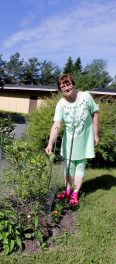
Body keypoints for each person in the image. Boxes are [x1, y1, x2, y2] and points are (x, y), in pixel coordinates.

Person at [45, 74, 99, 205]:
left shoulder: (86, 96)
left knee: (80, 166)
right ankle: (67, 190)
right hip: (69, 142)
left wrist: (95, 134)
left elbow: (95, 114)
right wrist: (50, 144)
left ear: (72, 83)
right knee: (68, 167)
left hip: (85, 140)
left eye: (68, 84)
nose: (66, 87)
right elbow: (56, 125)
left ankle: (75, 193)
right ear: (60, 89)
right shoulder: (61, 104)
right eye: (63, 86)